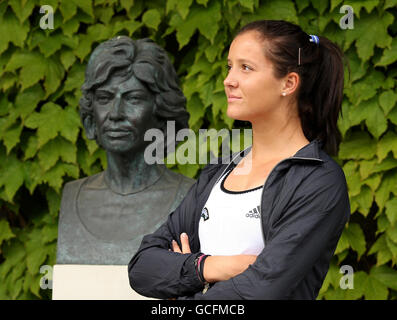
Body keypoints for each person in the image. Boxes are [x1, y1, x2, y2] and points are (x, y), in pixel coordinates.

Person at [128, 20, 351, 299]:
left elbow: (260, 290)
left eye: (246, 67)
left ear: (289, 83)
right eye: (229, 66)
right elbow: (142, 267)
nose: (229, 79)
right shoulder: (220, 171)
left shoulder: (317, 181)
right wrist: (209, 267)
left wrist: (180, 286)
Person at [56, 37, 195, 265]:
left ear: (162, 114)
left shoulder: (191, 199)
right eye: (104, 98)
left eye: (133, 98)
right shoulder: (72, 195)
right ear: (91, 115)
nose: (115, 113)